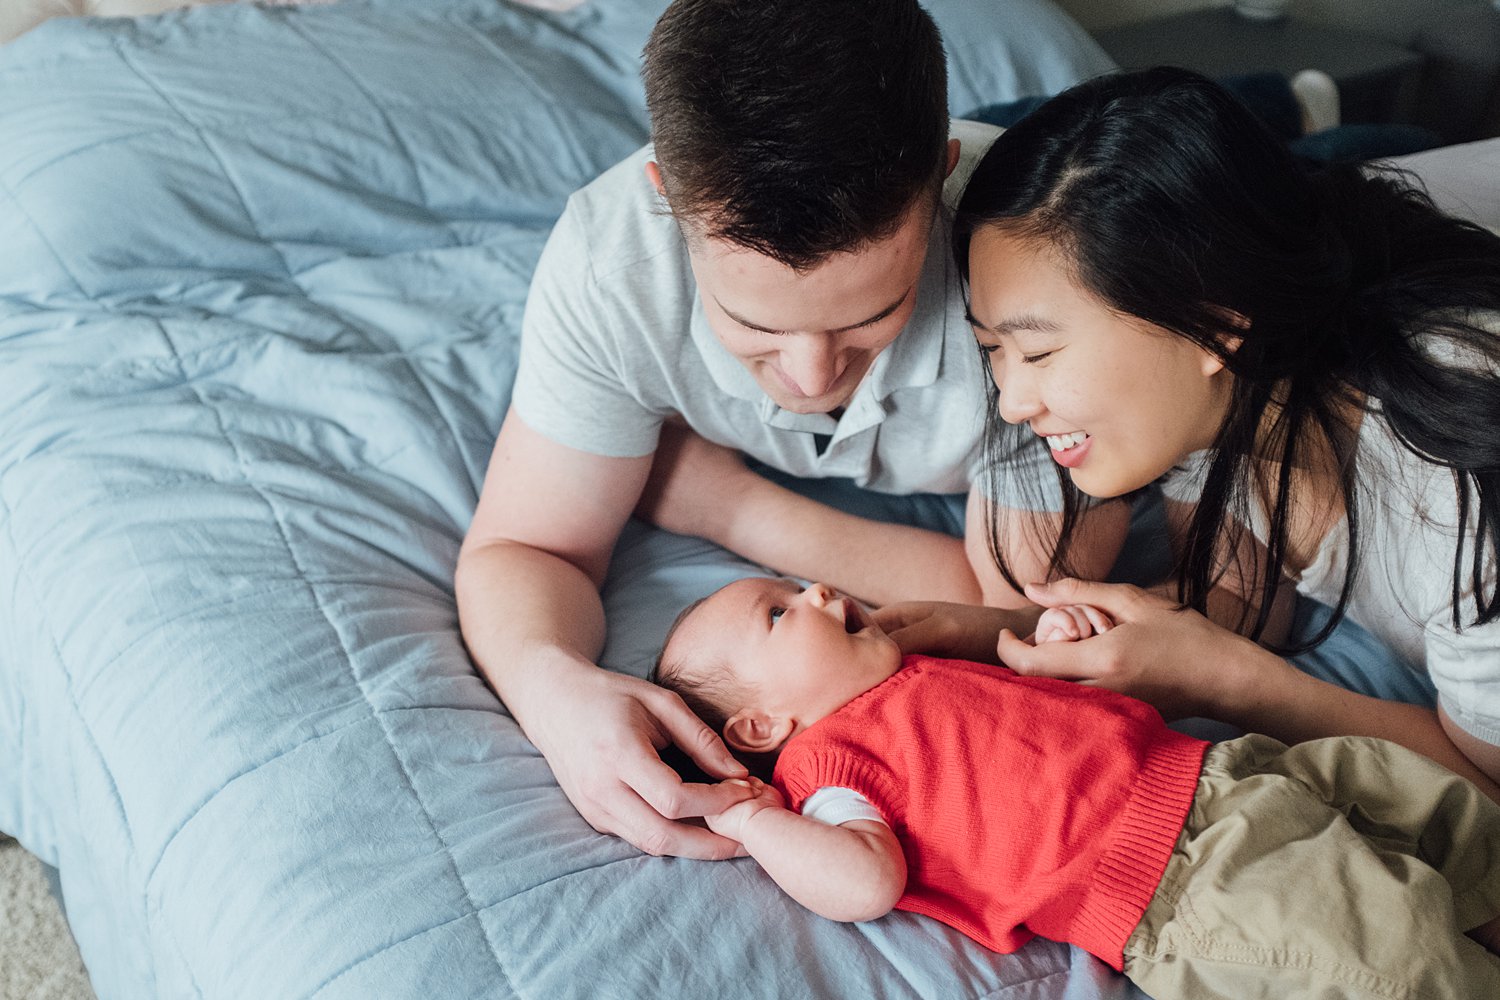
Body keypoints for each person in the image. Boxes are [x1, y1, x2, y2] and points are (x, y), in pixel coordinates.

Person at [455, 0, 1108, 860]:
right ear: (667, 196)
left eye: (871, 315)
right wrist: (553, 690)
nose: (812, 376)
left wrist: (734, 510)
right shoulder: (611, 263)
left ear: (940, 177)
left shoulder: (1036, 267)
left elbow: (1017, 612)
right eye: (753, 324)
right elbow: (527, 548)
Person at [882, 66, 1500, 797]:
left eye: (1040, 351)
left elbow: (1486, 788)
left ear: (1211, 325)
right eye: (993, 351)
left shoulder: (1455, 489)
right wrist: (998, 635)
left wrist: (1228, 682)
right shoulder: (1222, 398)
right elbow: (1235, 598)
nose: (1012, 402)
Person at [653, 576, 1500, 999]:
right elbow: (863, 881)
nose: (818, 590)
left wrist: (1053, 635)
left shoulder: (916, 667)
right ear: (759, 730)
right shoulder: (826, 773)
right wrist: (757, 821)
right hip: (1183, 887)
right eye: (779, 613)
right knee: (1391, 954)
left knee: (1437, 806)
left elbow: (1052, 703)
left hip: (1226, 772)